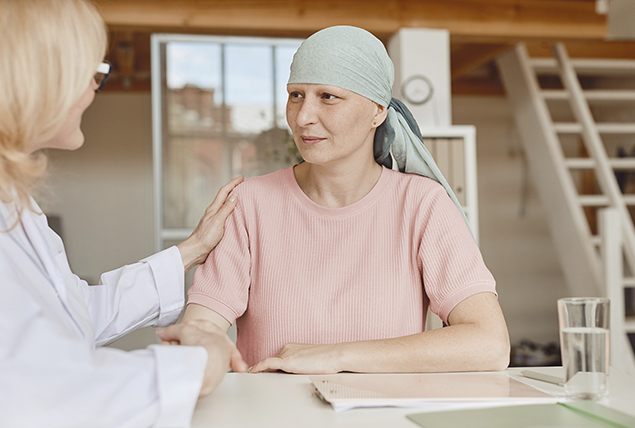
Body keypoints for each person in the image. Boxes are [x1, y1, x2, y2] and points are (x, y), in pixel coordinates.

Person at [174, 25, 510, 374]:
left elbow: (490, 344)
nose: (303, 117)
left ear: (378, 111)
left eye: (328, 97)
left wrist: (336, 356)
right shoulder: (248, 204)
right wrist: (201, 344)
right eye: (296, 95)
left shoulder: (423, 205)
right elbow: (203, 326)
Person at [0, 1, 246, 427]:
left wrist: (191, 250)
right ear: (42, 76)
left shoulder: (16, 204)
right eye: (92, 71)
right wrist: (199, 364)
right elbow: (38, 395)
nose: (97, 86)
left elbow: (75, 316)